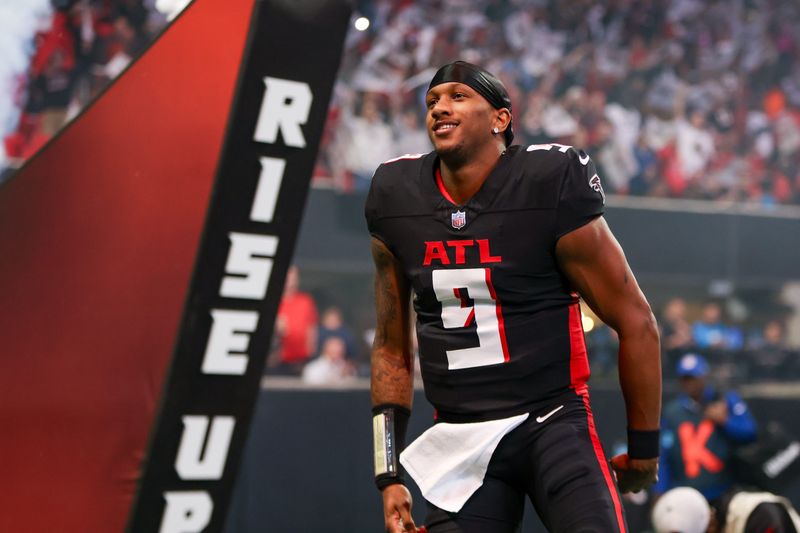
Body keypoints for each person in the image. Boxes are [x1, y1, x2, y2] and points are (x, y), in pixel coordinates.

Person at [365, 61, 661, 533]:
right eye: (432, 99)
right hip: (461, 436)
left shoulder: (548, 179)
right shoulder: (395, 195)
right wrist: (388, 475)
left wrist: (644, 450)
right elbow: (391, 347)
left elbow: (637, 321)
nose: (440, 105)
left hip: (552, 419)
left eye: (458, 95)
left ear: (501, 119)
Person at [656, 353, 757, 503]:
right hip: (684, 493)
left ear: (704, 376)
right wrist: (659, 490)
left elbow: (750, 433)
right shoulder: (672, 412)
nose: (690, 383)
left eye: (694, 378)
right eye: (685, 379)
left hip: (722, 490)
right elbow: (663, 454)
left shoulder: (725, 400)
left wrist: (725, 421)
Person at [267, 265, 318, 375]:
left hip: (302, 361)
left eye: (294, 278)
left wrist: (311, 353)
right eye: (288, 277)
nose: (291, 281)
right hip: (278, 361)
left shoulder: (305, 301)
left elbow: (311, 328)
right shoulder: (271, 301)